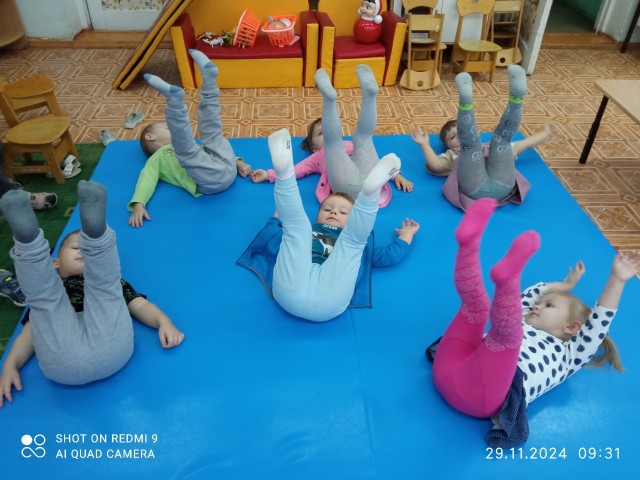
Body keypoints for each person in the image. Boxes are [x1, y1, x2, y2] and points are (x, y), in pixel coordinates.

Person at [426, 198, 635, 447]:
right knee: (476, 307)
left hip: (478, 395)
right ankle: (468, 244)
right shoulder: (524, 317)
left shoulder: (571, 355)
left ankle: (506, 277)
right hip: (449, 365)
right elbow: (532, 293)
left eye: (548, 306)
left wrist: (617, 279)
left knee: (507, 334)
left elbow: (601, 319)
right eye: (541, 303)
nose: (536, 306)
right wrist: (563, 286)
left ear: (572, 327)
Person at [0, 181, 184, 406]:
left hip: (108, 347)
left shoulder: (116, 283)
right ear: (55, 263)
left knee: (105, 284)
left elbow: (140, 306)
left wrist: (163, 322)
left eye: (86, 250)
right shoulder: (55, 286)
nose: (82, 253)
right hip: (65, 358)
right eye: (76, 248)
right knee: (43, 297)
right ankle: (29, 243)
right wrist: (10, 365)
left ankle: (95, 237)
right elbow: (30, 333)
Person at [238, 128, 419, 323]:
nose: (333, 213)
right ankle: (285, 173)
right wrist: (278, 220)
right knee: (298, 229)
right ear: (317, 217)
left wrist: (405, 236)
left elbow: (387, 256)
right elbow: (274, 237)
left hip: (321, 297)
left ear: (353, 220)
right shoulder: (310, 231)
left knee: (348, 240)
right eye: (328, 209)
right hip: (297, 291)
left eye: (343, 212)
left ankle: (369, 192)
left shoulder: (352, 238)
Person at [250, 65, 414, 207]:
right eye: (321, 133)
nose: (326, 133)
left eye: (327, 130)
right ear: (314, 148)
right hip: (350, 188)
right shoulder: (316, 156)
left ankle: (369, 95)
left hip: (372, 179)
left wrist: (396, 175)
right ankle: (330, 99)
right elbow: (294, 171)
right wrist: (268, 174)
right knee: (334, 143)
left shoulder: (349, 144)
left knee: (363, 137)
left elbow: (375, 161)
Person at [128, 49, 252, 227]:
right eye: (168, 128)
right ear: (150, 136)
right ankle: (175, 103)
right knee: (189, 149)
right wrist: (139, 204)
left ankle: (209, 81)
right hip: (212, 181)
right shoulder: (157, 158)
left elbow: (207, 154)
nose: (172, 130)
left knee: (212, 135)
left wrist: (238, 162)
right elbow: (146, 180)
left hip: (224, 167)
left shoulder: (189, 148)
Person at [411, 65, 542, 211]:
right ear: (449, 146)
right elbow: (435, 165)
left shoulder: (489, 146)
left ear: (477, 133)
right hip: (477, 191)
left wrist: (544, 135)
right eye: (453, 137)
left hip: (504, 184)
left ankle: (516, 98)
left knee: (502, 139)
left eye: (460, 132)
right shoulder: (453, 155)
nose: (458, 136)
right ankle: (465, 103)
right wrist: (424, 144)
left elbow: (521, 145)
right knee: (470, 146)